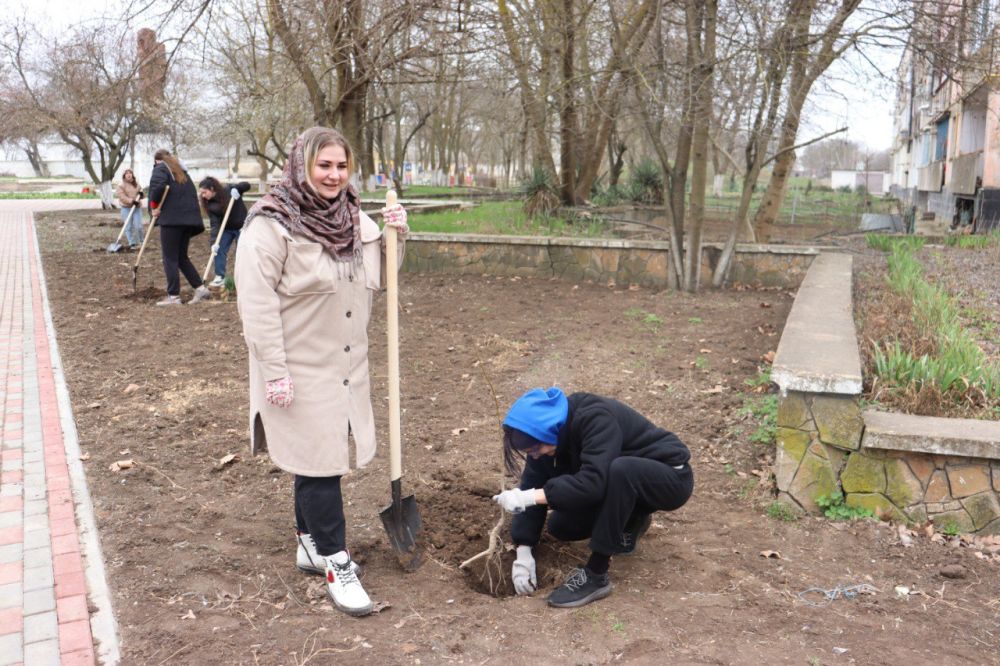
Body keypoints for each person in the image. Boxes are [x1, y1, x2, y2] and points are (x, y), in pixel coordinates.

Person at [233, 126, 409, 617]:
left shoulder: (355, 220)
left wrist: (396, 234)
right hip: (299, 367)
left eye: (341, 166)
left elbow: (382, 279)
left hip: (348, 365)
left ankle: (308, 543)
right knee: (321, 465)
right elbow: (256, 304)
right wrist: (274, 371)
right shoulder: (270, 225)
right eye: (323, 165)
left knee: (317, 459)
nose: (334, 175)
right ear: (301, 165)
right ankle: (336, 561)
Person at [492, 387, 693, 608]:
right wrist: (523, 549)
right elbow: (532, 484)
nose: (536, 455)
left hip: (669, 478)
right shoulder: (546, 436)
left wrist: (531, 497)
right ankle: (632, 519)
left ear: (550, 430)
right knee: (562, 526)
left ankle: (596, 574)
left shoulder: (594, 417)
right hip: (623, 484)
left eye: (536, 449)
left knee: (621, 470)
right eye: (531, 452)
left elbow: (593, 483)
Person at [147, 149, 211, 306]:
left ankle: (173, 296)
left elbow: (158, 187)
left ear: (157, 160)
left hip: (172, 220)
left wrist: (154, 206)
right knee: (181, 257)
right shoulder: (181, 172)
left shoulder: (160, 168)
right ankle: (200, 289)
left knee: (169, 258)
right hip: (188, 220)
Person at [198, 176, 251, 287]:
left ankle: (244, 277)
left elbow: (247, 184)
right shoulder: (210, 204)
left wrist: (237, 188)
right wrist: (213, 243)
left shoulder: (229, 190)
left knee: (242, 252)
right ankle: (220, 277)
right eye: (201, 194)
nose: (203, 196)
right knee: (219, 249)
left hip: (242, 227)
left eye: (204, 192)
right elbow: (214, 224)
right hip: (226, 229)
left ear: (212, 188)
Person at [115, 169, 144, 250]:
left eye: (130, 173)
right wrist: (131, 201)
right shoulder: (121, 185)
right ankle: (132, 243)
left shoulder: (136, 184)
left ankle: (142, 241)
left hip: (137, 208)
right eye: (126, 173)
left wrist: (141, 195)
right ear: (124, 175)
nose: (128, 174)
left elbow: (141, 193)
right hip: (126, 208)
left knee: (139, 226)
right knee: (128, 227)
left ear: (132, 174)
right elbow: (122, 196)